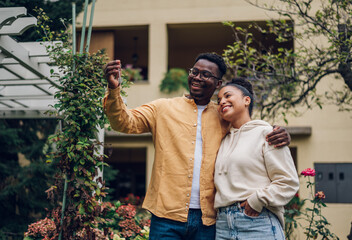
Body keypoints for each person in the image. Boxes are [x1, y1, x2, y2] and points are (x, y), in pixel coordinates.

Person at [103, 53, 291, 240]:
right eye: (195, 71)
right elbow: (123, 122)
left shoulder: (223, 115)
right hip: (166, 217)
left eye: (206, 74)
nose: (197, 77)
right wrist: (114, 89)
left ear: (218, 84)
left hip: (208, 220)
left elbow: (246, 130)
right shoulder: (162, 108)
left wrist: (276, 133)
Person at [214, 77, 299, 240]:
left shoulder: (267, 134)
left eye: (228, 96)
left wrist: (258, 200)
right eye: (219, 100)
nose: (222, 102)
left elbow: (288, 181)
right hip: (223, 226)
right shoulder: (222, 140)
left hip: (257, 221)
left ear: (247, 100)